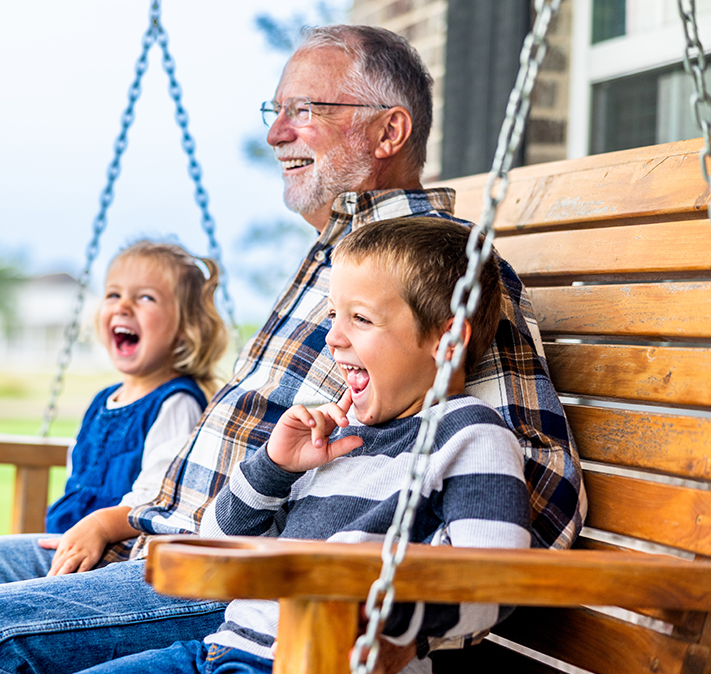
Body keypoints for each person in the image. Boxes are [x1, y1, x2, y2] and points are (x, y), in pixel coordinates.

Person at [0, 25, 585, 674]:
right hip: (160, 534)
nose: (277, 134)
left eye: (306, 111)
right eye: (274, 111)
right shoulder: (338, 262)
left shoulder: (436, 276)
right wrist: (129, 514)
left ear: (389, 130)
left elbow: (535, 489)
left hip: (246, 577)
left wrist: (376, 594)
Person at [69, 216, 531, 674]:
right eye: (333, 315)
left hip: (313, 659)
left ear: (448, 341)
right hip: (219, 650)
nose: (333, 337)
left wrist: (389, 624)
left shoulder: (471, 435)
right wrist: (274, 466)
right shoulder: (336, 434)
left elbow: (494, 580)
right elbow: (214, 546)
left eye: (361, 318)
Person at [40, 240, 228, 572]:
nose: (123, 305)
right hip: (69, 542)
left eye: (145, 298)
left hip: (119, 555)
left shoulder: (177, 403)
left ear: (186, 330)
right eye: (113, 294)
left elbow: (161, 498)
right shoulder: (103, 400)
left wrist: (99, 526)